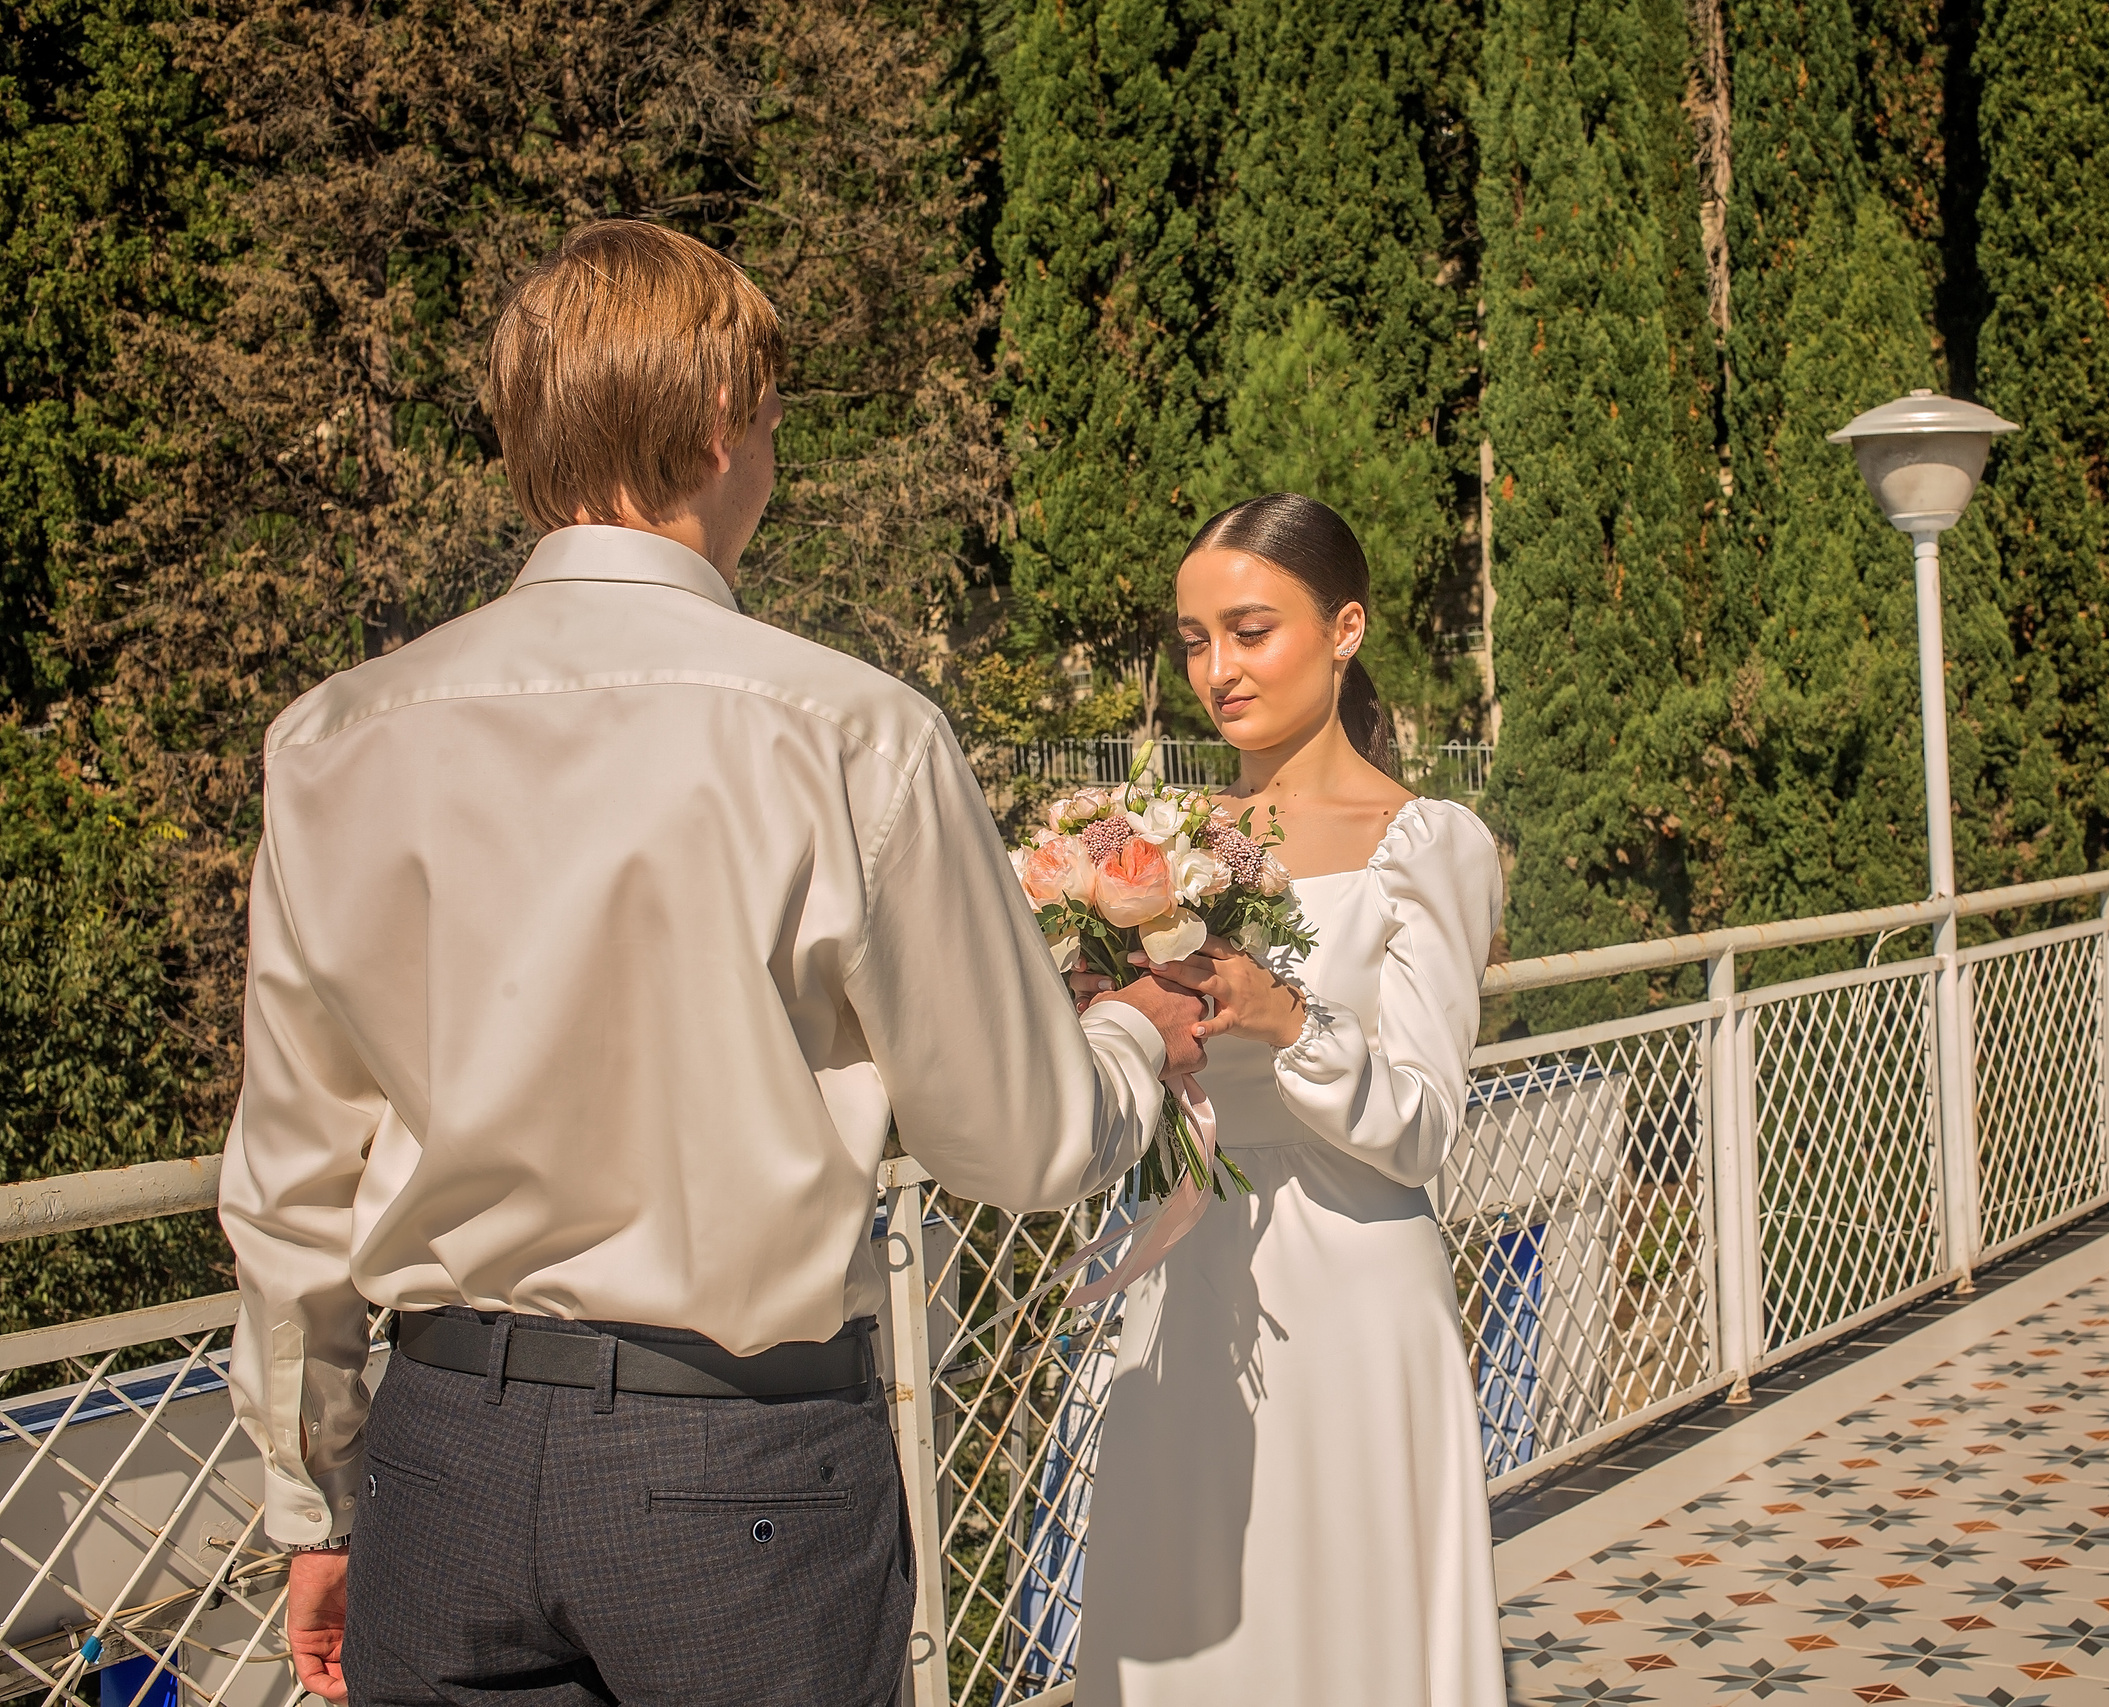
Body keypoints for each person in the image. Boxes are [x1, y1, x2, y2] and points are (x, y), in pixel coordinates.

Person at [216, 219, 1202, 1707]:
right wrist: (1133, 1037)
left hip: (445, 1460)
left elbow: (290, 1179)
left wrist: (311, 1500)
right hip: (733, 1464)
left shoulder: (336, 740)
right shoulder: (849, 732)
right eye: (774, 418)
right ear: (727, 417)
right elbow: (1021, 1137)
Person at [1073, 494, 1507, 1704]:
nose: (1218, 670)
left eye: (1250, 631)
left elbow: (1421, 1130)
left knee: (1345, 1620)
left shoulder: (1425, 841)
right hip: (1183, 1272)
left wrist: (1289, 1020)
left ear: (1346, 627)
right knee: (1184, 1616)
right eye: (1195, 641)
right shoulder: (1157, 849)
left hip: (1354, 1287)